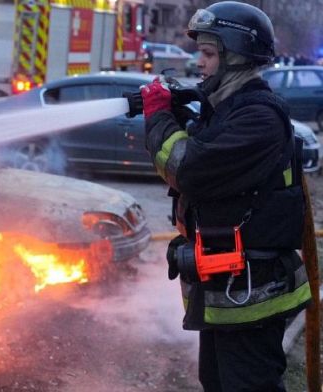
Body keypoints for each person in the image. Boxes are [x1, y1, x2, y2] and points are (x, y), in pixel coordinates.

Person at [140, 2, 312, 391]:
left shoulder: (258, 118)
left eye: (209, 53)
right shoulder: (226, 110)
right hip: (227, 288)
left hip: (252, 291)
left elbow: (187, 169)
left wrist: (160, 118)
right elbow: (201, 149)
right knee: (216, 381)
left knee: (247, 384)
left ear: (237, 57)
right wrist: (177, 114)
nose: (198, 62)